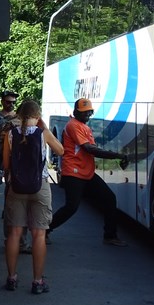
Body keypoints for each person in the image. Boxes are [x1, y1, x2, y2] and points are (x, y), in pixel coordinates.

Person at [2, 99, 63, 294]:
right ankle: (37, 282)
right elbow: (61, 151)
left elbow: (5, 164)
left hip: (16, 188)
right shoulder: (43, 133)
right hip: (40, 187)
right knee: (39, 234)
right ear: (38, 116)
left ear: (19, 115)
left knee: (14, 233)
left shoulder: (10, 134)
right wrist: (45, 128)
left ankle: (12, 278)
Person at [49, 98, 129, 247]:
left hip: (86, 173)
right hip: (74, 173)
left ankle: (110, 236)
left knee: (109, 198)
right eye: (84, 113)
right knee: (71, 207)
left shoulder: (83, 126)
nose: (87, 116)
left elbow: (91, 149)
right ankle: (46, 230)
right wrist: (117, 155)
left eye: (89, 113)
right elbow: (89, 149)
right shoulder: (73, 126)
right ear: (75, 112)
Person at [0, 90, 18, 203]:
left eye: (13, 102)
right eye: (8, 102)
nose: (11, 105)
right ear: (2, 101)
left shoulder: (18, 116)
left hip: (13, 153)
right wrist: (3, 130)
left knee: (11, 182)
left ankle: (8, 210)